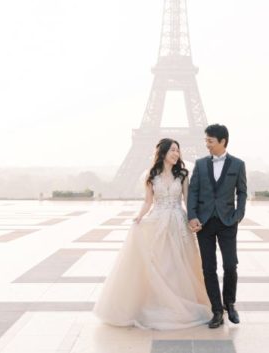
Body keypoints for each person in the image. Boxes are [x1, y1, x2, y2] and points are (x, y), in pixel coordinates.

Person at [93, 139, 210, 330]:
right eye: (173, 150)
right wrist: (139, 217)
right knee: (161, 265)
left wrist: (192, 219)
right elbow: (148, 202)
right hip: (157, 223)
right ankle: (160, 303)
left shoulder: (182, 175)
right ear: (163, 153)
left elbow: (188, 201)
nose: (176, 154)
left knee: (178, 265)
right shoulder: (151, 175)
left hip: (178, 224)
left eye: (178, 151)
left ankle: (179, 302)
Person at [187, 124, 247, 328]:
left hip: (228, 222)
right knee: (208, 267)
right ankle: (216, 310)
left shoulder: (238, 165)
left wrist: (239, 214)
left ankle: (229, 303)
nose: (207, 145)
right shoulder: (200, 164)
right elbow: (193, 191)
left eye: (210, 141)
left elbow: (242, 192)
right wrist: (192, 216)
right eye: (206, 141)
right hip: (204, 222)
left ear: (222, 141)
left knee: (230, 265)